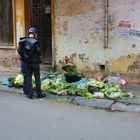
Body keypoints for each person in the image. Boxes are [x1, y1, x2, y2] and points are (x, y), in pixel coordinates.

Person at [17, 27, 45, 99]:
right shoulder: (35, 42)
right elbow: (39, 52)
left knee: (28, 78)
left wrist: (23, 55)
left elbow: (19, 49)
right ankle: (39, 94)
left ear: (29, 33)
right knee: (37, 78)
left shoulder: (23, 40)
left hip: (27, 63)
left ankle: (30, 95)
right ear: (35, 34)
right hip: (35, 63)